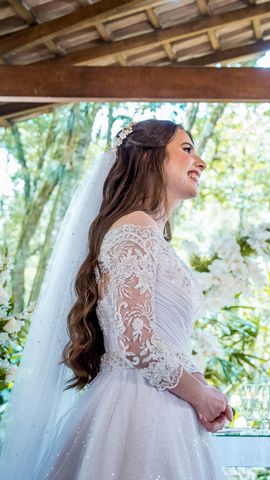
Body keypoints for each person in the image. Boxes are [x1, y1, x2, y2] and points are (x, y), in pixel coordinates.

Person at [0, 119, 231, 479]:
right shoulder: (134, 229)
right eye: (187, 150)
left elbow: (163, 339)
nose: (201, 162)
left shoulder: (147, 233)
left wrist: (200, 386)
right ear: (150, 159)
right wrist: (199, 397)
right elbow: (136, 341)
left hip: (161, 403)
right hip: (138, 412)